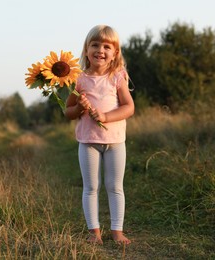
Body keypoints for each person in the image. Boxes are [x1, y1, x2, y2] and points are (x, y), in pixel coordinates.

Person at [65, 25, 135, 245]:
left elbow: (128, 107)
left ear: (115, 53)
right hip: (88, 143)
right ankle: (93, 232)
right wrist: (79, 109)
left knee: (115, 186)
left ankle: (117, 231)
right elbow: (68, 111)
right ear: (86, 50)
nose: (100, 50)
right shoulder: (78, 79)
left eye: (107, 46)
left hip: (115, 142)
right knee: (91, 187)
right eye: (95, 45)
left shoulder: (117, 77)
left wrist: (105, 116)